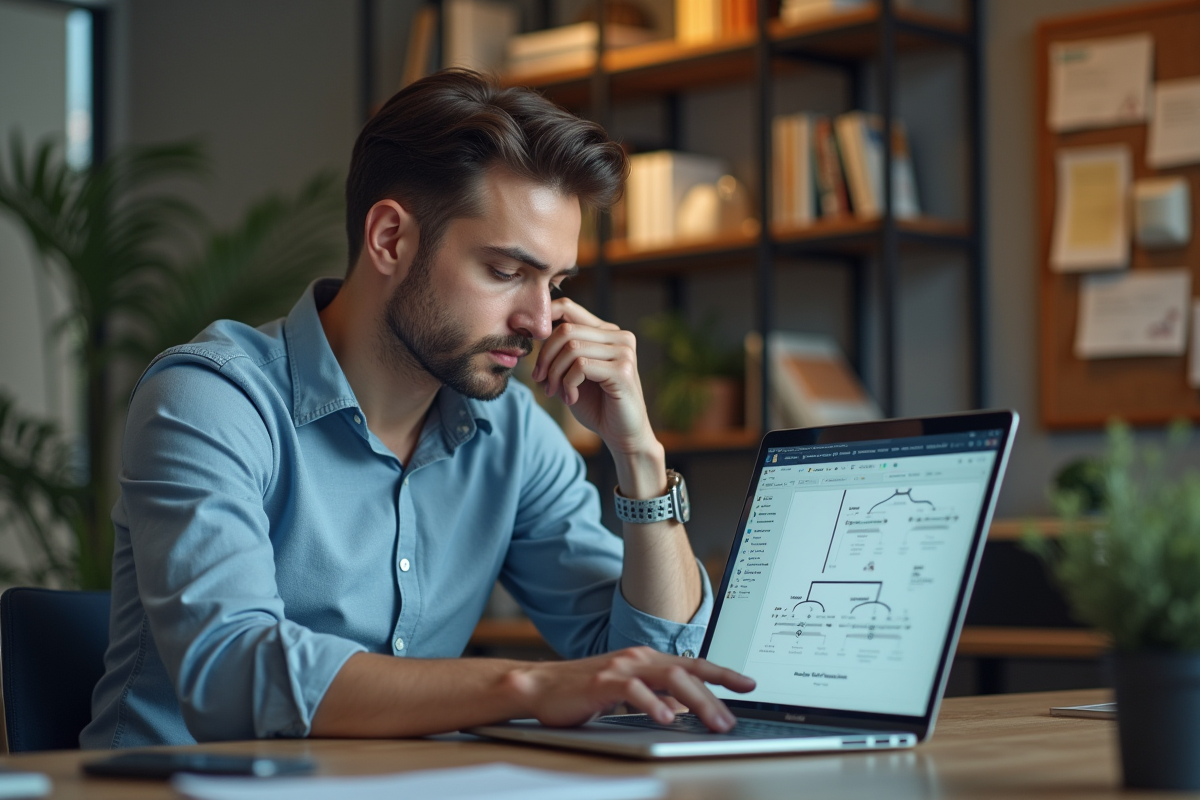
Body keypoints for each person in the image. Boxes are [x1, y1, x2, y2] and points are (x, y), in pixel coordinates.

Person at [81, 69, 754, 749]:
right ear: (390, 240)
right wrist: (525, 687)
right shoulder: (211, 401)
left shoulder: (512, 437)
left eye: (555, 283)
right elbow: (231, 674)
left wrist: (640, 458)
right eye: (506, 271)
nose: (542, 320)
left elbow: (659, 679)